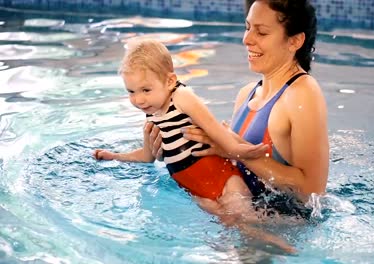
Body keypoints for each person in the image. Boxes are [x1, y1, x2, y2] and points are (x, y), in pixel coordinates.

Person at [93, 39, 296, 252]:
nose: (139, 99)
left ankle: (283, 241)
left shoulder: (181, 97)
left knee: (246, 218)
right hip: (196, 190)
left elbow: (215, 129)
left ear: (170, 80)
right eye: (131, 92)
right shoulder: (152, 114)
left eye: (146, 89)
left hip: (223, 177)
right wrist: (114, 156)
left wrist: (240, 151)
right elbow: (147, 156)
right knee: (229, 226)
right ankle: (262, 244)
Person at [150, 0, 329, 219]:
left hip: (284, 230)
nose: (247, 39)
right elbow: (235, 168)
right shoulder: (247, 94)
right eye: (247, 27)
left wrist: (234, 150)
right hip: (240, 217)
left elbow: (312, 192)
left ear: (295, 41)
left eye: (261, 32)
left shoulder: (302, 92)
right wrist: (173, 146)